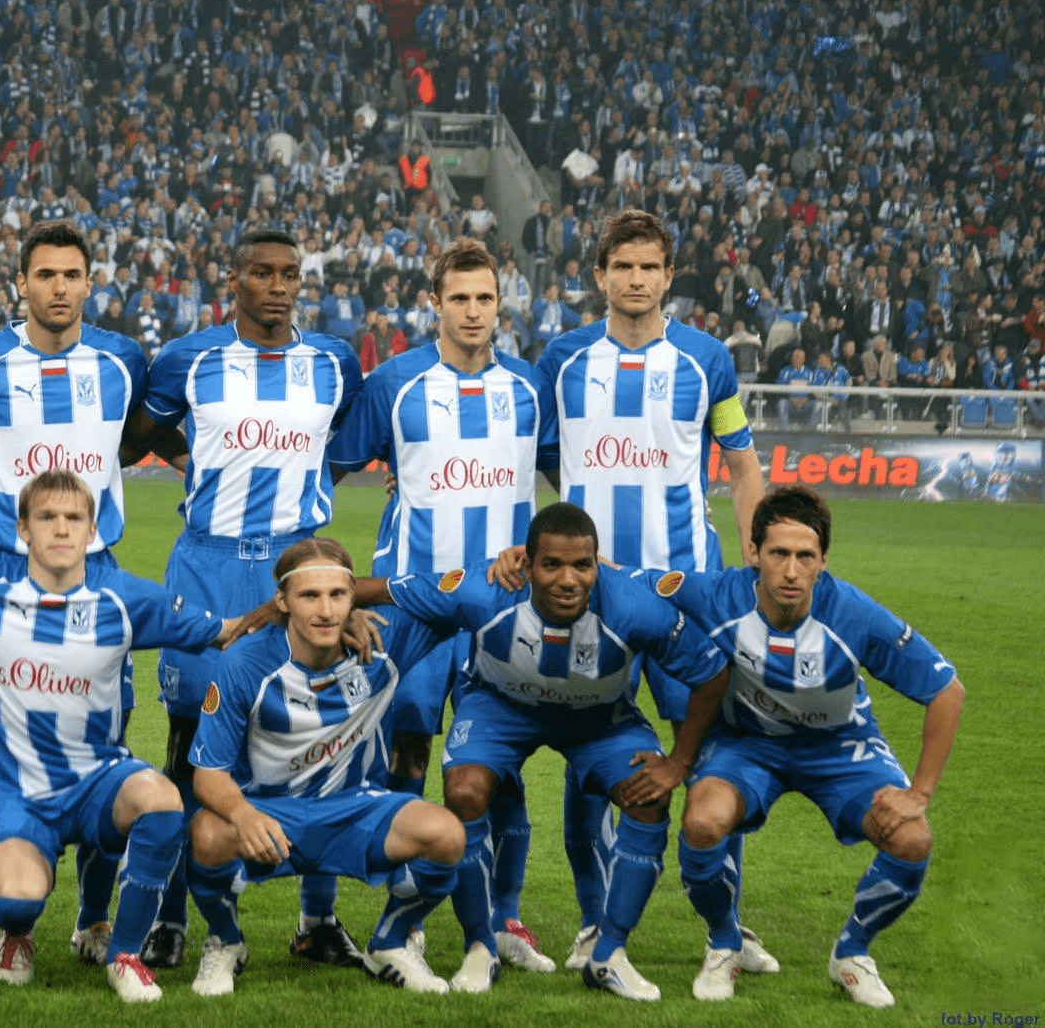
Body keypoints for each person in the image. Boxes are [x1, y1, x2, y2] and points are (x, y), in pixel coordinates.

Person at [534, 209, 769, 974]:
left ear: (669, 276)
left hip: (687, 589)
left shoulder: (708, 360)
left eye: (649, 267)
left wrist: (755, 554)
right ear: (599, 275)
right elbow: (540, 455)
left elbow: (740, 463)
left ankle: (727, 924)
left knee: (713, 753)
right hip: (589, 592)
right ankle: (593, 919)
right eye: (622, 267)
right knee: (590, 758)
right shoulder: (563, 359)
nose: (635, 280)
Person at [129, 227, 365, 970]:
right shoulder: (189, 358)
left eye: (290, 274)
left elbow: (339, 447)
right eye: (261, 273)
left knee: (320, 739)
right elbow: (144, 429)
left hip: (297, 567)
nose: (278, 286)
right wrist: (197, 464)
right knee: (186, 742)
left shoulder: (332, 362)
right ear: (232, 280)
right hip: (208, 566)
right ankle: (171, 917)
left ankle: (317, 919)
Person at [376, 503, 729, 997]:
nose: (568, 579)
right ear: (526, 564)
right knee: (465, 791)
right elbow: (387, 589)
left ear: (597, 563)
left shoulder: (632, 605)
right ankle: (480, 946)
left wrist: (678, 763)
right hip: (500, 709)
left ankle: (609, 953)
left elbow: (712, 673)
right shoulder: (486, 589)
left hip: (598, 720)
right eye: (552, 565)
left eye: (582, 565)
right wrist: (304, 598)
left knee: (648, 796)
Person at [631, 485, 963, 1006]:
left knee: (912, 840)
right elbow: (619, 578)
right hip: (747, 744)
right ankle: (725, 941)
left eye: (805, 556)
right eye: (778, 553)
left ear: (823, 560)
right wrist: (527, 557)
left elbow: (946, 690)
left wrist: (918, 794)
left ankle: (852, 952)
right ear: (753, 553)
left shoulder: (852, 613)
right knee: (702, 822)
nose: (791, 570)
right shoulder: (715, 595)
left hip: (840, 746)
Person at [326, 238, 553, 972]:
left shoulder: (529, 388)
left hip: (504, 608)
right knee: (408, 756)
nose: (473, 311)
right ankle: (407, 912)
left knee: (500, 767)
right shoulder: (394, 382)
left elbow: (563, 476)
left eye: (485, 298)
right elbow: (328, 470)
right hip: (413, 608)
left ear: (501, 302)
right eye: (459, 298)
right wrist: (326, 576)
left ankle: (506, 919)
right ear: (435, 304)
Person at [0, 470, 238, 1002]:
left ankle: (124, 954)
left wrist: (304, 617)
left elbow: (225, 630)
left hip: (96, 781)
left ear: (93, 531)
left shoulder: (122, 597)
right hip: (15, 790)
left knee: (162, 801)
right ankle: (16, 934)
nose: (61, 529)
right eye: (47, 517)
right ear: (23, 528)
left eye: (74, 518)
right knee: (13, 901)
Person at [0, 220, 154, 970]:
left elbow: (133, 439)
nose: (59, 287)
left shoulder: (123, 361)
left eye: (72, 275)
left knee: (101, 747)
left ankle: (94, 919)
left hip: (93, 573)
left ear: (91, 282)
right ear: (20, 283)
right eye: (45, 275)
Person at [186, 537, 466, 996]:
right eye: (309, 596)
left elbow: (460, 595)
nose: (326, 611)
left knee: (446, 835)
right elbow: (208, 774)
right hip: (271, 812)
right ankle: (225, 939)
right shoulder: (245, 662)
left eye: (338, 595)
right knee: (207, 833)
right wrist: (243, 814)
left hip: (354, 809)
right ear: (282, 601)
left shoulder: (382, 641)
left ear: (354, 598)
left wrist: (514, 562)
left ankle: (391, 942)